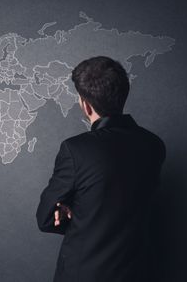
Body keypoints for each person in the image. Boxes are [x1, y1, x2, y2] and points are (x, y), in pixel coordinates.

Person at [36, 56, 166, 282]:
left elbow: (45, 219)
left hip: (84, 274)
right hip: (137, 273)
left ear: (85, 104)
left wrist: (70, 210)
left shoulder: (75, 149)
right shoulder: (154, 145)